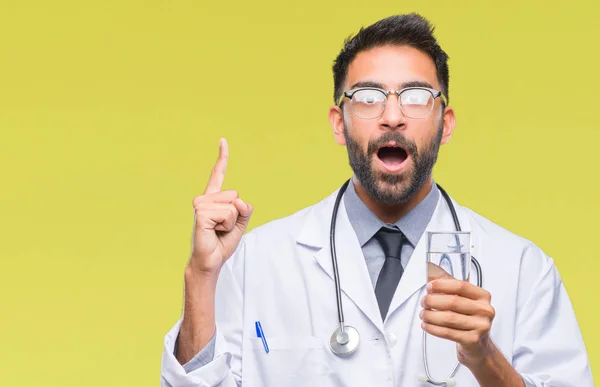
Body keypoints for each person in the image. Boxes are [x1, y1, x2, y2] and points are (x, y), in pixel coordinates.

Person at [160, 13, 593, 387]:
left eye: (417, 96)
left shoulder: (522, 268)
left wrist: (484, 358)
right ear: (338, 123)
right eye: (368, 97)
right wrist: (201, 276)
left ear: (445, 124)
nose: (392, 115)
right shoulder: (259, 260)